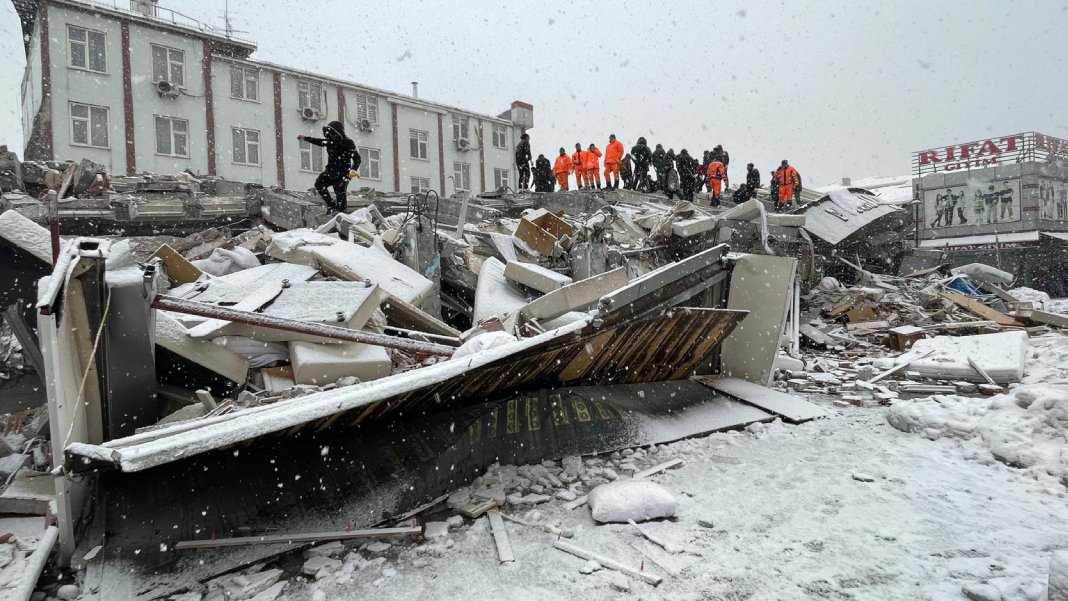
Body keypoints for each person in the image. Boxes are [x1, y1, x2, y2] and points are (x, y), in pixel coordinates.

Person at [297, 120, 361, 213]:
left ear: (338, 132)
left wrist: (350, 174)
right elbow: (319, 141)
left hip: (343, 174)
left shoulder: (348, 143)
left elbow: (357, 159)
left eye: (332, 133)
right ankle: (332, 206)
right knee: (319, 184)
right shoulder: (330, 141)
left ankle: (341, 216)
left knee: (340, 196)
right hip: (330, 171)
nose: (330, 137)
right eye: (329, 134)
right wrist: (305, 138)